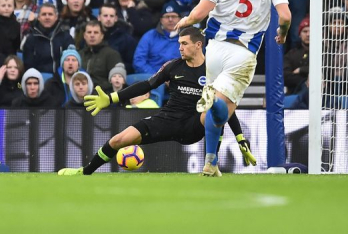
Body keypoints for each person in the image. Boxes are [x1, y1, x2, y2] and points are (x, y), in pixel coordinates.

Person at [58, 27, 257, 176]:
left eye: (184, 43)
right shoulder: (172, 67)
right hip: (167, 119)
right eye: (179, 43)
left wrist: (240, 137)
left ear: (198, 45)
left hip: (194, 124)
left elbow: (225, 108)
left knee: (213, 107)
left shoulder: (213, 71)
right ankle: (85, 172)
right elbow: (146, 85)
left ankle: (211, 163)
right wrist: (111, 98)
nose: (180, 47)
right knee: (118, 140)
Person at [173, 0, 291, 176]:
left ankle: (210, 162)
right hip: (243, 53)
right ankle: (212, 147)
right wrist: (283, 32)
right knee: (223, 108)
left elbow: (198, 15)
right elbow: (286, 16)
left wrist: (184, 20)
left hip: (214, 48)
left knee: (213, 110)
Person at [22, 2, 74, 74]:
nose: (47, 17)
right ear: (39, 18)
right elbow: (28, 65)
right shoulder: (31, 39)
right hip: (38, 80)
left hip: (61, 79)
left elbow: (71, 62)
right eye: (44, 14)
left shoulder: (65, 37)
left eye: (50, 14)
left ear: (56, 17)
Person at [133, 2, 183, 74]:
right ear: (161, 20)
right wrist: (157, 77)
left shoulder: (187, 37)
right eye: (166, 16)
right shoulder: (150, 36)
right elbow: (139, 61)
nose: (170, 19)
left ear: (180, 19)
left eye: (174, 16)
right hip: (152, 78)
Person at [79, 20, 122, 87]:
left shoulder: (112, 55)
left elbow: (116, 80)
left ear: (102, 36)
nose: (92, 35)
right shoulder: (79, 55)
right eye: (89, 32)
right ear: (84, 35)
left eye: (96, 32)